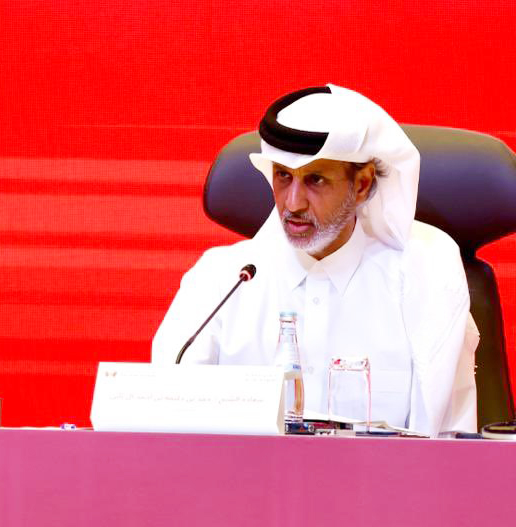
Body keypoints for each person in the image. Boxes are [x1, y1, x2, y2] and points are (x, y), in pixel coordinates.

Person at [152, 84, 478, 437]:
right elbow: (165, 426)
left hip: (384, 489)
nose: (293, 203)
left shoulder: (423, 275)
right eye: (283, 176)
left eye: (315, 180)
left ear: (364, 185)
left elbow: (450, 446)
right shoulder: (220, 281)